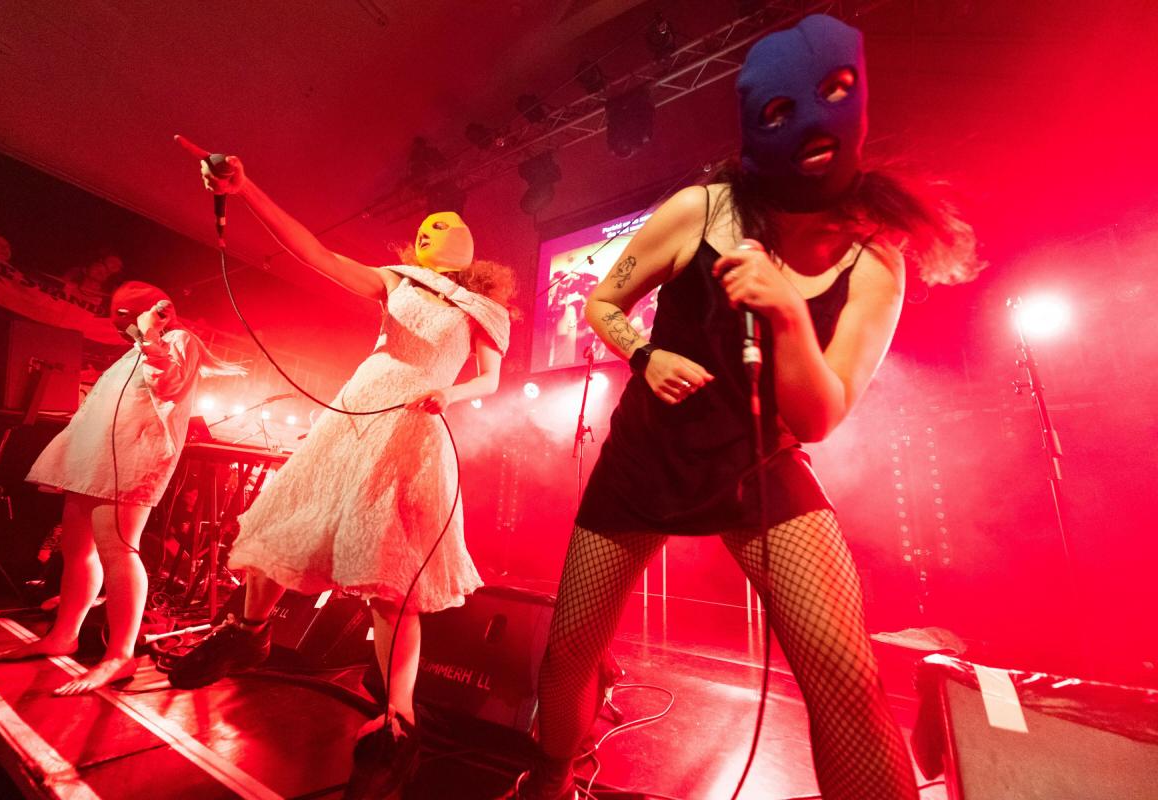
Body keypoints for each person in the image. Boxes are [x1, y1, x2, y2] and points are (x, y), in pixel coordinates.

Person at [512, 14, 980, 800]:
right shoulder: (700, 210)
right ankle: (553, 772)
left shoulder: (874, 258)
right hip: (646, 460)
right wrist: (646, 356)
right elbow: (601, 302)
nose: (813, 126)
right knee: (568, 655)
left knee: (845, 674)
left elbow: (821, 417)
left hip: (757, 464)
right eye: (782, 111)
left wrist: (789, 315)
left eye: (836, 92)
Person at [166, 153, 514, 798]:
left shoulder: (483, 311)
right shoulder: (397, 281)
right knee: (285, 526)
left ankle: (399, 723)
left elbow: (491, 379)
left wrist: (451, 394)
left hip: (411, 434)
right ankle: (249, 634)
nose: (433, 235)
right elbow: (315, 253)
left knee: (391, 581)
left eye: (446, 231)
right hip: (354, 417)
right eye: (426, 230)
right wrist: (247, 188)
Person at [0, 281, 244, 694]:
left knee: (118, 550)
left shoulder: (179, 340)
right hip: (94, 458)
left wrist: (150, 337)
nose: (114, 320)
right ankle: (64, 635)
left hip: (131, 459)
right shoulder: (134, 350)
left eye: (124, 313)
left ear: (161, 310)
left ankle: (120, 656)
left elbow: (167, 386)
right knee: (77, 549)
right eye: (113, 312)